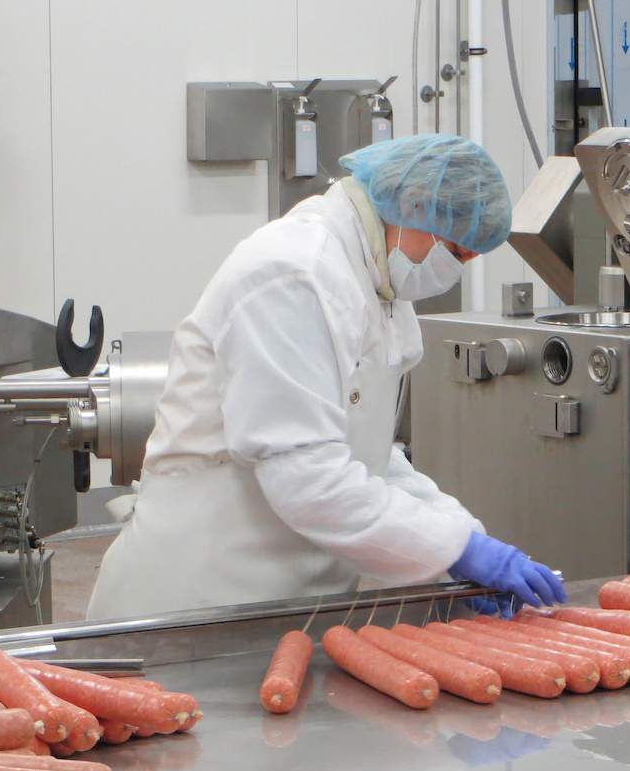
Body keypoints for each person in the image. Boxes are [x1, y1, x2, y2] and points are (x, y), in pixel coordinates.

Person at [87, 135, 566, 619]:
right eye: (456, 252)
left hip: (290, 609)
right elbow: (306, 476)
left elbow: (369, 454)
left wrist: (460, 535)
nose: (455, 270)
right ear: (412, 205)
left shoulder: (377, 285)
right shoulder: (296, 272)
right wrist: (452, 548)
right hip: (198, 599)